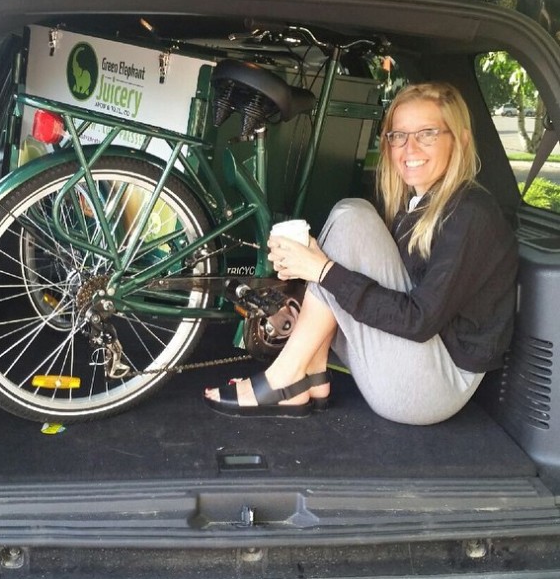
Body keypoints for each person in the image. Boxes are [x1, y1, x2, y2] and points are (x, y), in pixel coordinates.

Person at [204, 81, 518, 425]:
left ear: (460, 140)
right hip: (412, 364)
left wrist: (322, 271)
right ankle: (310, 372)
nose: (408, 147)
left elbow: (419, 320)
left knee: (352, 216)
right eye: (398, 135)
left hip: (432, 390)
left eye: (427, 133)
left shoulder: (471, 214)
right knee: (349, 218)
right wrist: (307, 268)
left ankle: (285, 378)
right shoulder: (413, 203)